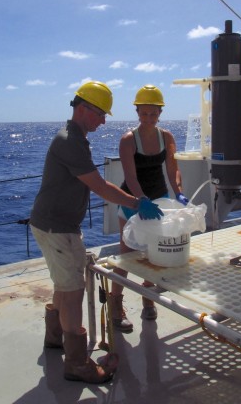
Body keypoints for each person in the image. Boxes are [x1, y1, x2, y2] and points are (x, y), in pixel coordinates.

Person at [30, 81, 163, 384]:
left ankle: (55, 336)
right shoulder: (69, 141)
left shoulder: (75, 138)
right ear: (83, 109)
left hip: (59, 224)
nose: (103, 121)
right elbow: (100, 186)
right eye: (101, 114)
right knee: (74, 289)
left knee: (66, 283)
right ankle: (76, 363)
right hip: (56, 227)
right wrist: (135, 202)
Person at [110, 84, 189, 332]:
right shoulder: (127, 140)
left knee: (153, 255)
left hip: (160, 200)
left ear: (160, 114)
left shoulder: (167, 137)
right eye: (144, 113)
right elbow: (130, 177)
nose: (148, 118)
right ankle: (116, 306)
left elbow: (173, 168)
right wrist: (140, 200)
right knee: (126, 256)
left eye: (153, 114)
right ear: (137, 112)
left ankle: (147, 300)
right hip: (133, 201)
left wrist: (179, 192)